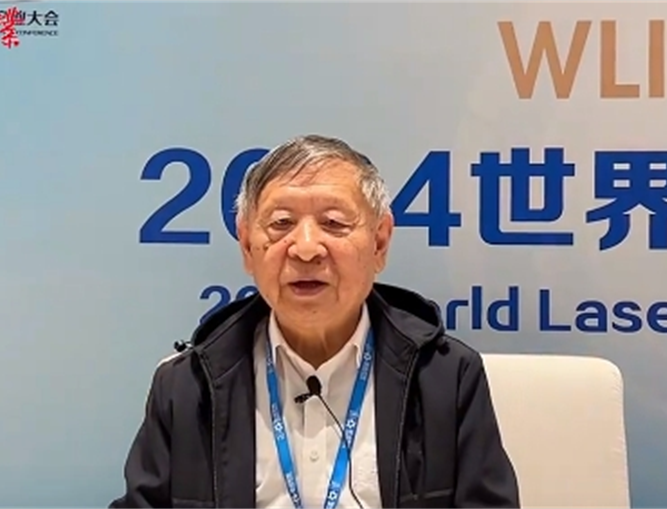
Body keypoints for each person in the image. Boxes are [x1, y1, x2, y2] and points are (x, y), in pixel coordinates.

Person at [109, 135, 520, 509]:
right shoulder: (188, 385)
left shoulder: (446, 378)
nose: (306, 249)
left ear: (379, 242)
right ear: (247, 246)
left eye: (334, 223)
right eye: (281, 224)